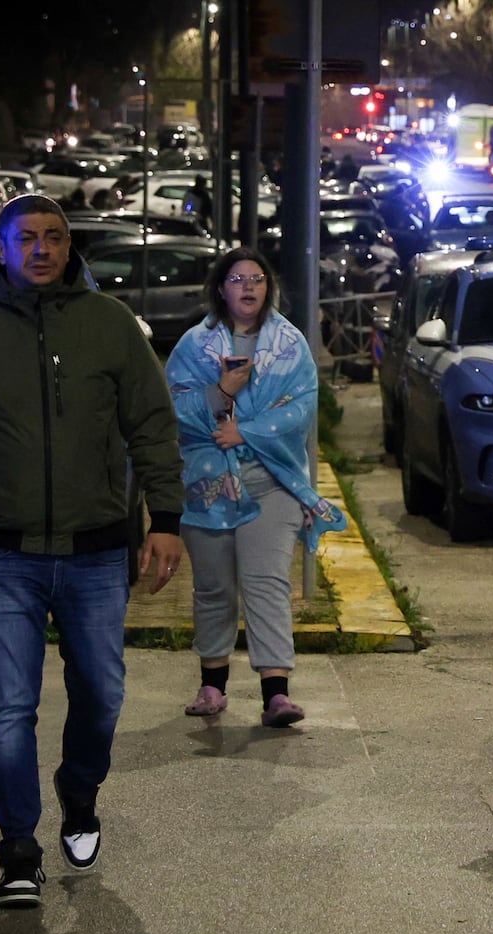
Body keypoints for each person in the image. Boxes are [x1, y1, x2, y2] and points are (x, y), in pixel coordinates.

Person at [0, 194, 187, 909]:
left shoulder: (111, 324)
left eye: (54, 236)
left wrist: (167, 517)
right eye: (26, 237)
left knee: (102, 695)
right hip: (2, 552)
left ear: (69, 247)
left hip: (95, 551)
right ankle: (18, 848)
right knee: (10, 707)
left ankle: (79, 790)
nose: (42, 249)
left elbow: (152, 425)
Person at [167, 247, 347, 728]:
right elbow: (176, 410)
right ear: (220, 288)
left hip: (272, 482)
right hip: (208, 487)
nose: (248, 287)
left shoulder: (290, 344)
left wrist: (245, 431)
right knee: (213, 588)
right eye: (237, 278)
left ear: (268, 288)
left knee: (267, 583)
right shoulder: (192, 346)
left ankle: (276, 694)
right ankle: (212, 686)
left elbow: (301, 408)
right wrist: (221, 392)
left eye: (258, 279)